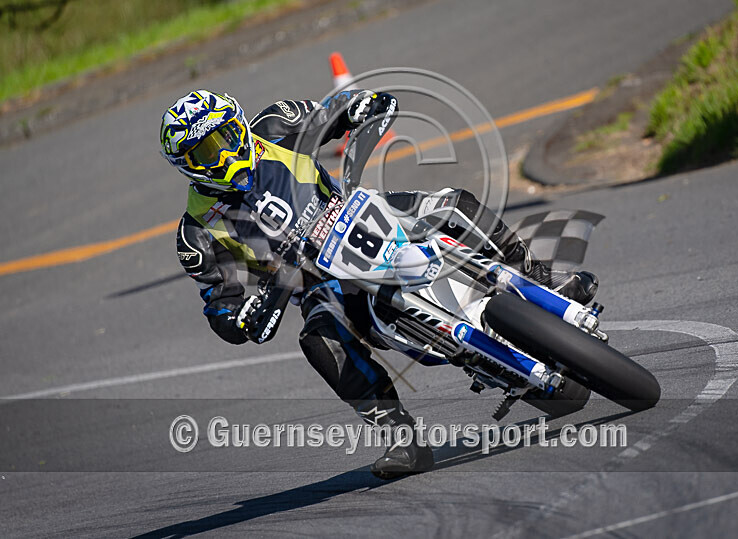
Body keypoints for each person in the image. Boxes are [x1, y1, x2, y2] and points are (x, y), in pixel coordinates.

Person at [160, 89, 598, 479]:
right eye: (206, 152)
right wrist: (245, 315)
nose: (224, 155)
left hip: (363, 218)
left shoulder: (275, 125)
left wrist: (360, 108)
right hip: (318, 283)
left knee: (452, 205)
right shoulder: (196, 233)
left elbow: (333, 113)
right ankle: (400, 436)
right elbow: (222, 309)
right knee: (318, 341)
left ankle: (538, 279)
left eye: (225, 137)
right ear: (187, 167)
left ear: (239, 123)